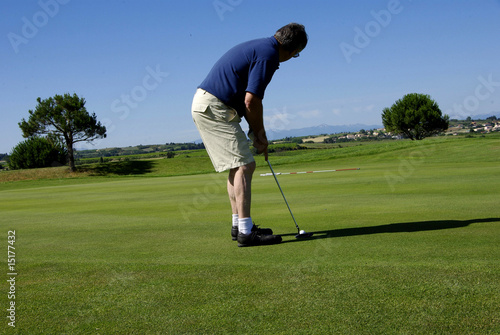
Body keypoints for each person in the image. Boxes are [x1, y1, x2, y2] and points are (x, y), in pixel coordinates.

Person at [191, 23, 308, 247]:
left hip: (211, 105)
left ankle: (238, 225)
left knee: (238, 166)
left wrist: (255, 132)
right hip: (215, 107)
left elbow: (247, 103)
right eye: (296, 56)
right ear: (291, 50)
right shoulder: (269, 56)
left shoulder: (263, 47)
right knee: (245, 165)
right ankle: (246, 232)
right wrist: (261, 135)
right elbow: (251, 100)